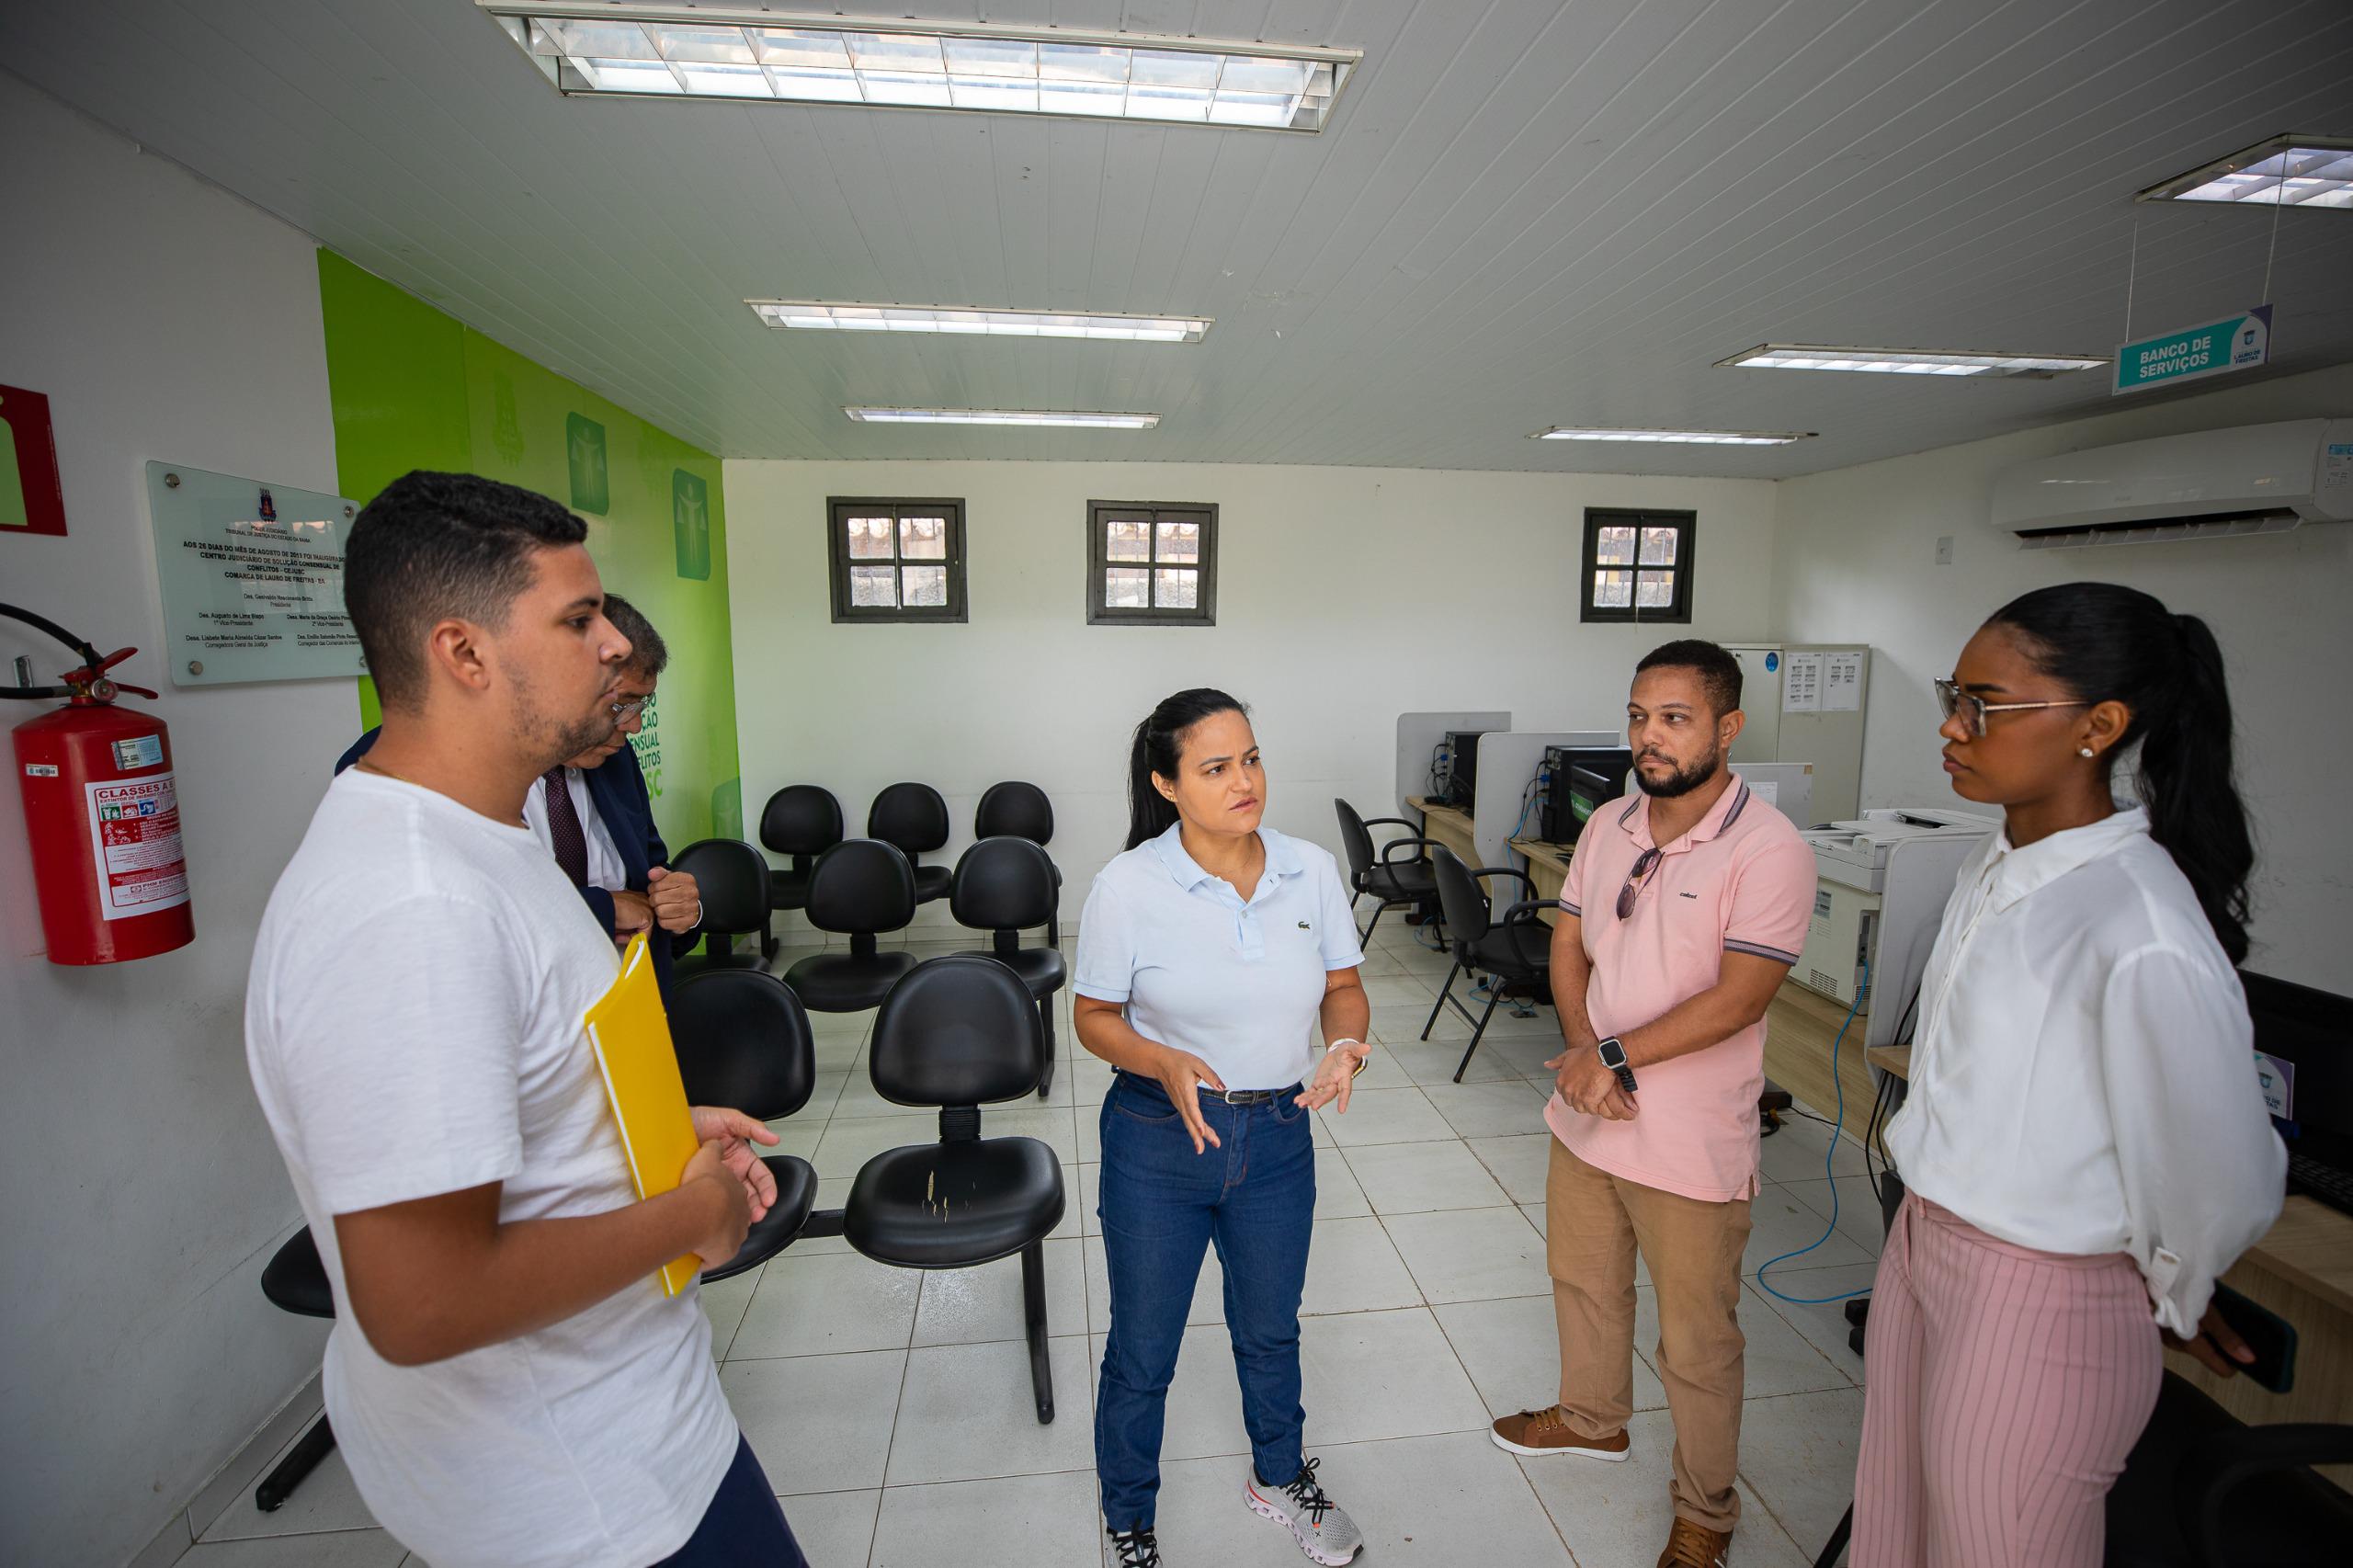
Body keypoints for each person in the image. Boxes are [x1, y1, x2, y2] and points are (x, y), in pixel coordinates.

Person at [245, 471, 807, 1568]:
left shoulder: (486, 838)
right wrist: (689, 1213)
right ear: (463, 653)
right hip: (583, 1496)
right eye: (577, 618)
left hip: (622, 1432)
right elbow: (422, 1299)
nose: (612, 645)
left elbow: (519, 1078)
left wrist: (647, 1122)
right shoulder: (409, 903)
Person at [1850, 583, 2285, 1567]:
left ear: (2099, 725)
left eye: (1984, 706)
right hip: (1926, 1241)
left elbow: (2217, 1167)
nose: (1951, 728)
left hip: (2034, 1287)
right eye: (1950, 695)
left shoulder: (2134, 920)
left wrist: (2175, 1284)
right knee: (1898, 1530)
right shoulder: (1995, 861)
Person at [1490, 640, 1817, 1568]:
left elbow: (1739, 997)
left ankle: (1705, 1510)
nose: (1649, 735)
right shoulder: (1613, 822)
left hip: (1687, 1134)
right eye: (1638, 715)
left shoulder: (1768, 849)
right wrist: (1585, 1050)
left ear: (1728, 727)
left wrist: (1616, 1055)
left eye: (1673, 716)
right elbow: (1570, 940)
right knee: (1583, 1280)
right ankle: (1592, 1417)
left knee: (1697, 1338)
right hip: (1590, 1108)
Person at [1074, 688, 1376, 1568]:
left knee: (1270, 1327)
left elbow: (1342, 986)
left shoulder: (1308, 867)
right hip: (1160, 1142)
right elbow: (1093, 1017)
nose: (1245, 781)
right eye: (1216, 768)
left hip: (1278, 1135)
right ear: (1167, 785)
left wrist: (1347, 1044)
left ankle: (1280, 1478)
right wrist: (1160, 1060)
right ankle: (1130, 1516)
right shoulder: (1129, 885)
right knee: (1143, 1349)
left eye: (1251, 759)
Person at [336, 593, 701, 1003]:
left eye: (640, 705)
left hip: (629, 1019)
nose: (633, 726)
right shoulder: (398, 769)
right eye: (620, 705)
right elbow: (432, 929)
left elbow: (650, 881)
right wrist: (599, 909)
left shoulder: (613, 757)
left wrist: (680, 911)